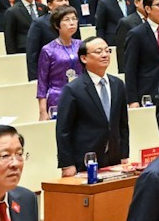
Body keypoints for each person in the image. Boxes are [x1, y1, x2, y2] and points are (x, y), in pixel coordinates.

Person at [54, 36, 128, 172]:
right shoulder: (73, 89)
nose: (105, 55)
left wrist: (124, 154)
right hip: (85, 158)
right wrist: (67, 164)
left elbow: (123, 124)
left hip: (114, 157)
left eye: (107, 50)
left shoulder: (118, 84)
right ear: (84, 58)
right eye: (98, 51)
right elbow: (63, 130)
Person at [121, 0, 159, 106]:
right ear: (148, 9)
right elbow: (130, 69)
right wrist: (132, 100)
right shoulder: (136, 34)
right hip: (146, 91)